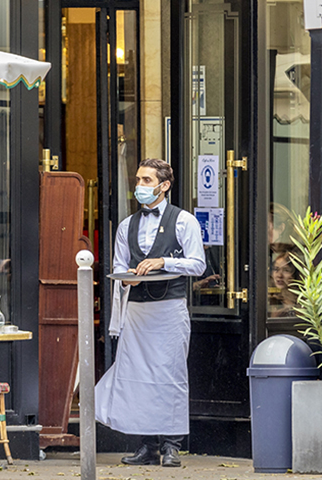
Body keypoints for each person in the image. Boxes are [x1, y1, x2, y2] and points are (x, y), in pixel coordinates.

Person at [96, 158, 206, 468]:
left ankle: (172, 445)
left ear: (164, 185)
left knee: (170, 375)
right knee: (137, 377)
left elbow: (197, 264)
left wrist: (163, 262)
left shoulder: (183, 221)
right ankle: (146, 445)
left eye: (146, 180)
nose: (140, 186)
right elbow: (118, 267)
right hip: (136, 311)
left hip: (169, 310)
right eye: (139, 180)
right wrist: (127, 276)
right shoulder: (126, 226)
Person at [270, 251, 300, 318]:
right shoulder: (272, 300)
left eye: (286, 270)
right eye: (276, 269)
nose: (279, 275)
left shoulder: (304, 299)